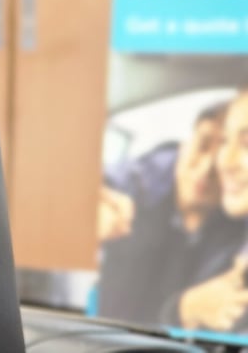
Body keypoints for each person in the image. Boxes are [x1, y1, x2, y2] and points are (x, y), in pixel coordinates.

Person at [98, 102, 244, 326]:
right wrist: (97, 202)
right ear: (184, 145)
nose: (207, 169)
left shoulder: (234, 234)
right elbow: (105, 183)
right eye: (203, 145)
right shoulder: (143, 184)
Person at [171, 91, 248, 332]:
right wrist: (185, 308)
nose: (224, 161)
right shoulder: (227, 254)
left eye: (247, 143)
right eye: (225, 140)